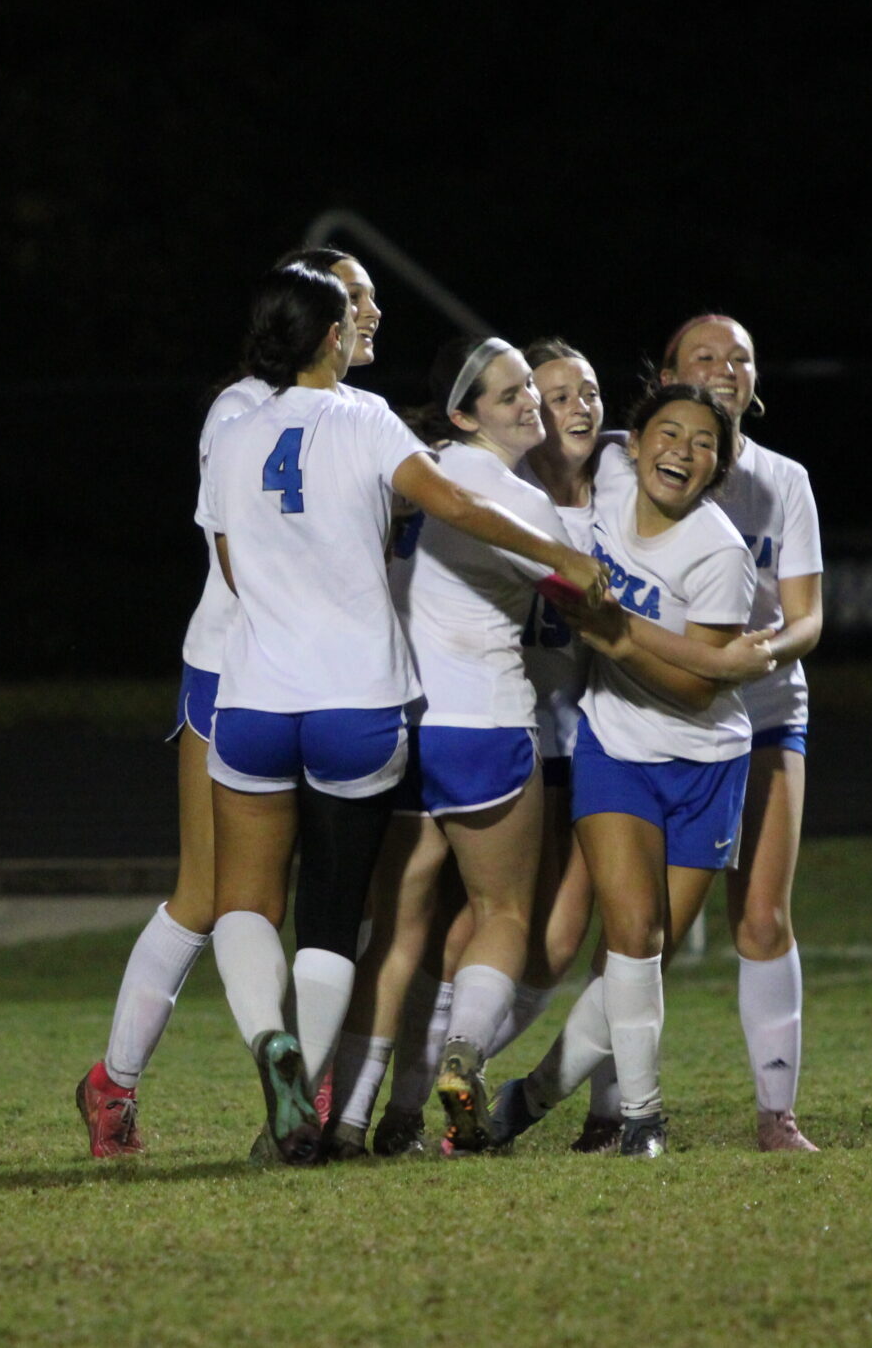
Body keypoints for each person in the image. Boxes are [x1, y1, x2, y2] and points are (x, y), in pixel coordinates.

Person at [198, 264, 604, 1165]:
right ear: (333, 337)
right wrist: (562, 560)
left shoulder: (229, 427)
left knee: (251, 903)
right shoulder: (373, 423)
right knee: (359, 915)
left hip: (257, 695)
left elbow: (230, 564)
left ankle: (292, 1066)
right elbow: (455, 503)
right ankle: (424, 1075)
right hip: (385, 704)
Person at [74, 246, 382, 1159]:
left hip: (333, 679)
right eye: (356, 297)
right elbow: (236, 557)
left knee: (337, 891)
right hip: (241, 671)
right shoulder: (242, 409)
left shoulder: (357, 413)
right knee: (213, 895)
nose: (370, 313)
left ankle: (313, 1093)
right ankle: (112, 1084)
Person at [491, 382, 757, 1159]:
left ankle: (534, 1091)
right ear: (634, 443)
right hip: (614, 747)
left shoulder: (720, 553)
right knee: (632, 934)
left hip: (708, 759)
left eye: (703, 442)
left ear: (717, 467)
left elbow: (700, 683)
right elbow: (554, 458)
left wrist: (615, 638)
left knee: (643, 963)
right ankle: (642, 1116)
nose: (681, 449)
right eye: (666, 433)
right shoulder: (607, 474)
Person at [319, 337, 571, 1158]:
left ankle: (354, 1117)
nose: (530, 401)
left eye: (530, 385)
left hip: (401, 717)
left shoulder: (407, 471)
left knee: (395, 929)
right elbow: (590, 611)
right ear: (465, 414)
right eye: (509, 395)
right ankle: (463, 1055)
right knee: (503, 913)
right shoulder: (525, 507)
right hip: (487, 718)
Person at [656, 314, 825, 1153]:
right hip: (651, 718)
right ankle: (611, 1104)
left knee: (760, 918)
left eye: (741, 357)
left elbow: (807, 618)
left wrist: (760, 652)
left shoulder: (783, 480)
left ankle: (775, 1111)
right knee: (626, 924)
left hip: (761, 717)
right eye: (705, 356)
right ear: (665, 376)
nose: (726, 368)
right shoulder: (634, 465)